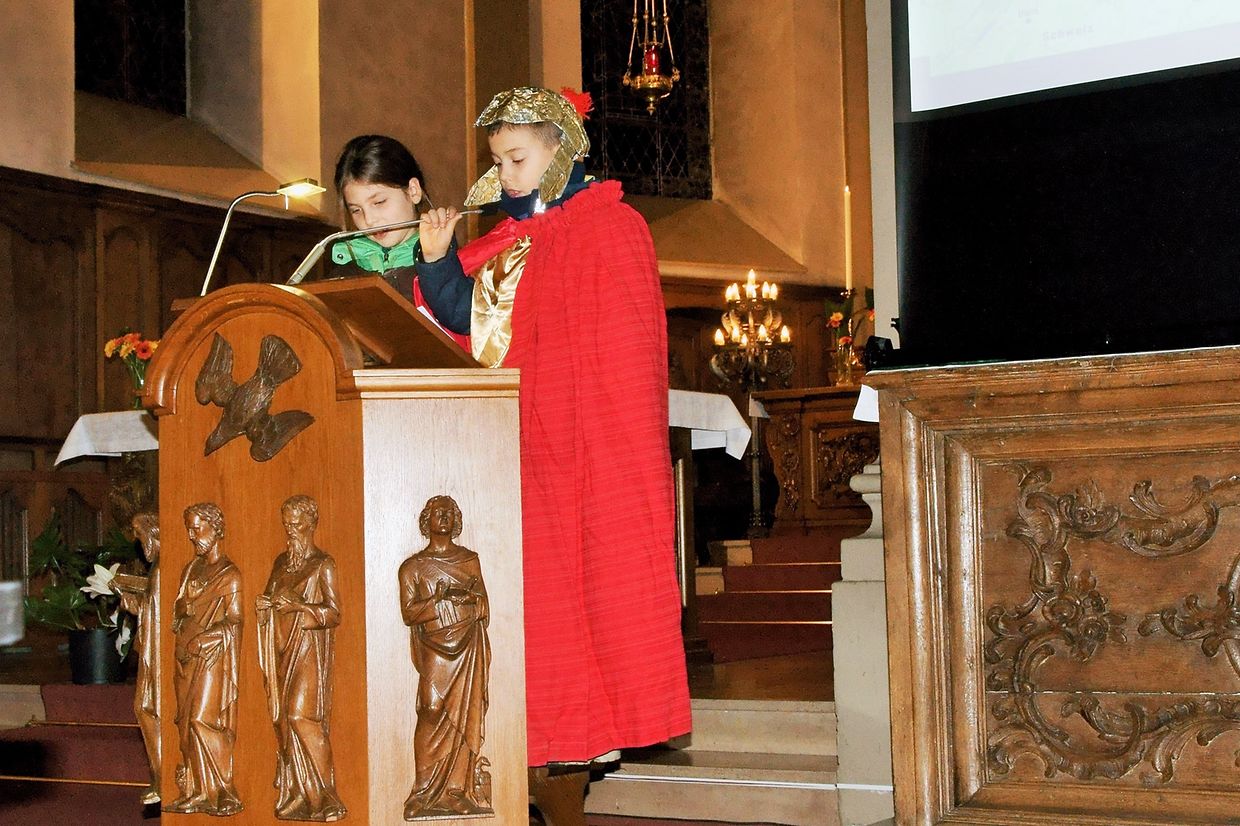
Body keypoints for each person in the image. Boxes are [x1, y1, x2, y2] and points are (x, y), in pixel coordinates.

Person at [416, 87, 691, 823]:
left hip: (588, 457)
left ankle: (572, 759)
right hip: (522, 456)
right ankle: (543, 755)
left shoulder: (613, 228)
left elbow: (624, 358)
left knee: (594, 593)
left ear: (561, 149)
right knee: (538, 613)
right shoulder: (512, 241)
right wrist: (438, 263)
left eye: (517, 158)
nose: (504, 175)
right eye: (498, 162)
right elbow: (471, 324)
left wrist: (582, 429)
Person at [398, 495, 492, 818]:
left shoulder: (469, 560)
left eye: (449, 512)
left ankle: (455, 791)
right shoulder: (412, 567)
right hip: (435, 648)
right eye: (437, 512)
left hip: (467, 647)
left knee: (464, 714)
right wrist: (436, 602)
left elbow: (484, 604)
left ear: (456, 520)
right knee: (430, 709)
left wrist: (469, 601)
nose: (443, 516)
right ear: (426, 520)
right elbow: (409, 613)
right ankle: (422, 791)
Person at [328, 135, 468, 349]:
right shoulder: (343, 273)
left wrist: (436, 262)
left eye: (379, 202)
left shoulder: (450, 266)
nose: (369, 220)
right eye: (356, 210)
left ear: (413, 191)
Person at [256, 494, 347, 821]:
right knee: (284, 722)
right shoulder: (281, 563)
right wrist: (265, 606)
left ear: (311, 524)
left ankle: (327, 796)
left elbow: (333, 613)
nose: (290, 530)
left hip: (308, 651)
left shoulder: (323, 564)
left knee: (301, 717)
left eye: (296, 524)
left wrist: (299, 606)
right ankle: (300, 794)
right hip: (282, 648)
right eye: (287, 524)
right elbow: (271, 597)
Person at [167, 502, 243, 816]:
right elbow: (177, 613)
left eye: (197, 528)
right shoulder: (190, 570)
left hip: (211, 657)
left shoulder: (229, 575)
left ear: (216, 528)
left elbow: (235, 620)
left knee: (203, 720)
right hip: (184, 656)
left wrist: (207, 638)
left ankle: (222, 790)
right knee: (186, 724)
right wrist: (186, 604)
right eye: (189, 529)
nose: (191, 535)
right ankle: (196, 791)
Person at [114, 511, 161, 805]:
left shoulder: (162, 568)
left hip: (157, 654)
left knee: (148, 708)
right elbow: (155, 608)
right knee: (144, 708)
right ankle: (159, 776)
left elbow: (161, 612)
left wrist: (138, 607)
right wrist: (138, 606)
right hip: (151, 650)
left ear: (153, 533)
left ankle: (162, 777)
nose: (137, 539)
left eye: (139, 533)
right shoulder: (157, 567)